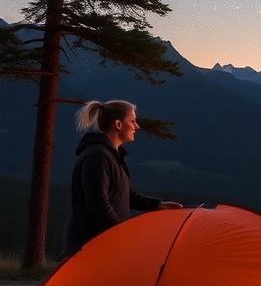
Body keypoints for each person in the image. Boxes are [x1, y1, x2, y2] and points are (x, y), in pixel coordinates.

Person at [65, 100, 183, 256]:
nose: (137, 126)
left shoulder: (111, 156)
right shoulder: (98, 156)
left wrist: (157, 205)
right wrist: (120, 232)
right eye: (132, 121)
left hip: (104, 241)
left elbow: (126, 194)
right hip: (93, 245)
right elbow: (98, 204)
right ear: (118, 124)